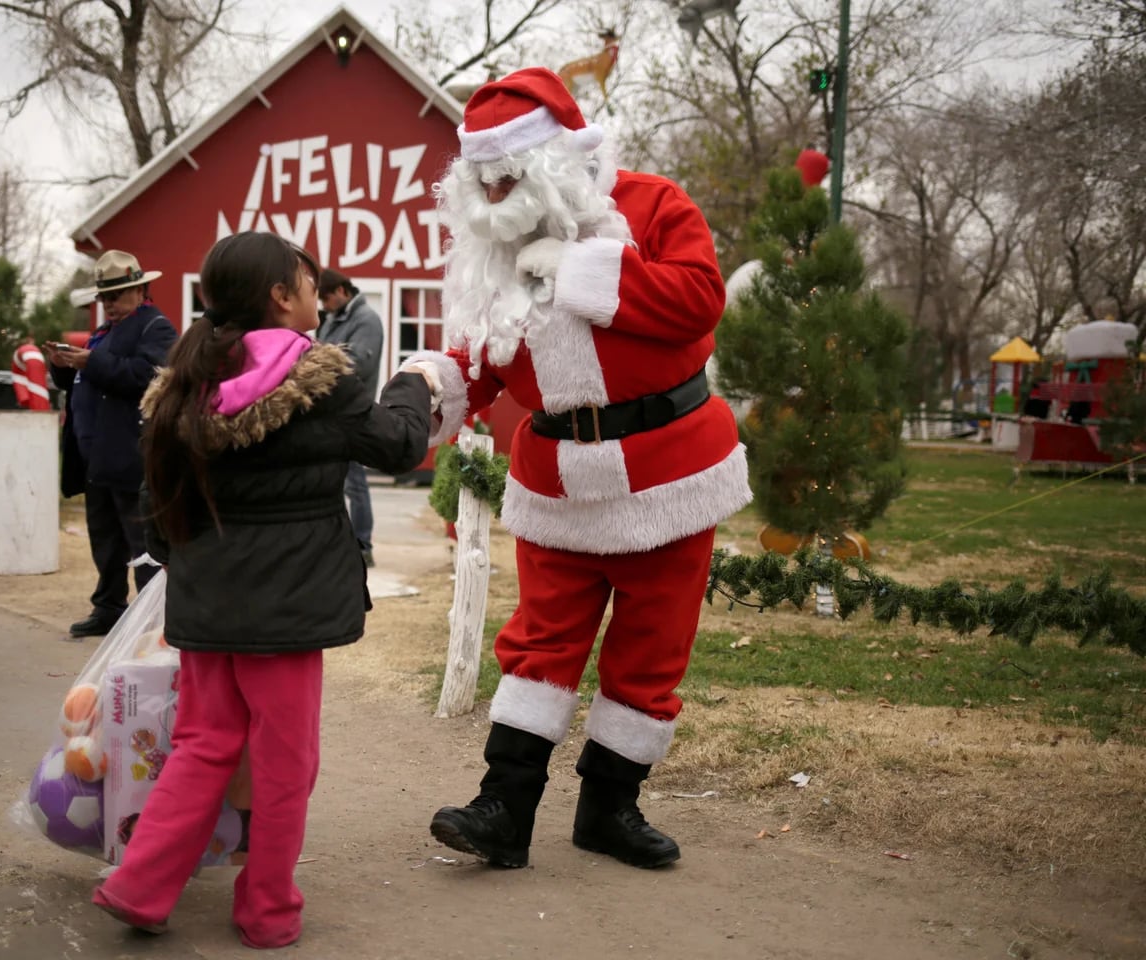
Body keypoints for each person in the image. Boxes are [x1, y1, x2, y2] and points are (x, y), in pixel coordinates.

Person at [405, 68, 753, 869]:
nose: (495, 196)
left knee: (651, 649)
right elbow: (476, 356)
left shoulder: (655, 205)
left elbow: (698, 299)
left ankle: (610, 810)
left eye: (509, 178)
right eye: (482, 183)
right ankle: (503, 811)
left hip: (670, 474)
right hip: (558, 482)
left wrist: (579, 269)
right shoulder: (492, 250)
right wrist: (429, 386)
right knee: (540, 644)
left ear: (558, 158)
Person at [90, 232, 434, 947]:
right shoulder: (321, 380)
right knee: (285, 762)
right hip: (290, 605)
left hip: (207, 598)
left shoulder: (186, 377)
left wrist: (175, 567)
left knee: (203, 743)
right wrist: (416, 382)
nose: (316, 290)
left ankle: (139, 885)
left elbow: (160, 499)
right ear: (281, 295)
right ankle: (266, 909)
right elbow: (400, 446)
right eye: (306, 279)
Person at [46, 250, 178, 638]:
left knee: (141, 544)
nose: (109, 305)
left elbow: (151, 377)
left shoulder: (156, 327)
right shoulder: (104, 333)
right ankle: (108, 607)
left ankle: (154, 617)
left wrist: (90, 363)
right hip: (98, 457)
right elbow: (88, 381)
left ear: (139, 291)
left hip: (131, 456)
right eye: (105, 298)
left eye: (116, 296)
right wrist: (63, 363)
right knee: (106, 541)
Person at [316, 267, 385, 566]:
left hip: (351, 411)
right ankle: (341, 542)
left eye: (326, 298)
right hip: (329, 411)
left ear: (342, 291)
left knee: (355, 482)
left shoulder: (366, 320)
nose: (323, 305)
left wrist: (317, 363)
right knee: (335, 481)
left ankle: (363, 544)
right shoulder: (333, 319)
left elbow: (357, 364)